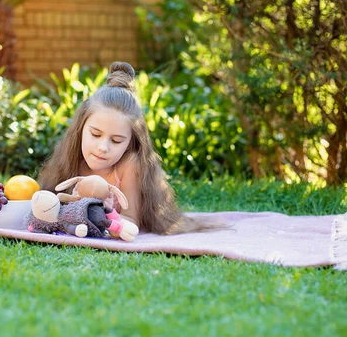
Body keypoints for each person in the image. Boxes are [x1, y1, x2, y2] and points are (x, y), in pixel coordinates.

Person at [38, 61, 224, 234]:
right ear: (80, 130)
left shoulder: (129, 165)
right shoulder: (72, 159)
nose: (103, 147)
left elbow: (130, 220)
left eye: (117, 141)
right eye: (95, 135)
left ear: (130, 143)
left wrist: (104, 218)